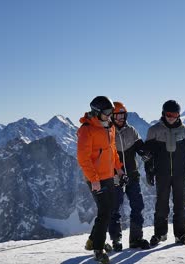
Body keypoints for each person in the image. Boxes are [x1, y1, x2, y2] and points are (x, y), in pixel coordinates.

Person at [144, 100, 185, 246]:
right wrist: (148, 171)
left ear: (179, 115)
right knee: (161, 205)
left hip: (180, 173)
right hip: (161, 173)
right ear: (163, 113)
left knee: (180, 205)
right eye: (168, 114)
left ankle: (181, 235)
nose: (171, 117)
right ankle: (160, 234)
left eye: (174, 114)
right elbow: (147, 154)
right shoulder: (154, 130)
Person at [77, 96, 124, 264]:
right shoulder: (87, 129)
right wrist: (94, 179)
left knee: (109, 210)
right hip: (96, 178)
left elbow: (112, 150)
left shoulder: (109, 127)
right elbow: (83, 158)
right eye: (107, 113)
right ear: (97, 113)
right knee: (104, 212)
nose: (110, 116)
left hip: (108, 176)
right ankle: (98, 249)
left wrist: (118, 168)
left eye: (111, 112)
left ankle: (93, 240)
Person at [108, 101, 151, 251]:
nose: (120, 118)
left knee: (138, 206)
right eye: (117, 115)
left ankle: (136, 239)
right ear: (112, 116)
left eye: (122, 115)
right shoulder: (108, 132)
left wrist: (145, 152)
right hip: (115, 177)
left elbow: (140, 146)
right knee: (115, 209)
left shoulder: (131, 130)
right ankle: (116, 240)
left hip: (132, 176)